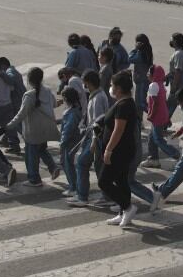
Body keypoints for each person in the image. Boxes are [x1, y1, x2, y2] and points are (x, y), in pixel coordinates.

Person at [6, 67, 61, 187]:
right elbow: (54, 104)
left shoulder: (29, 95)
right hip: (45, 129)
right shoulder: (47, 90)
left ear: (29, 80)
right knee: (42, 149)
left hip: (33, 131)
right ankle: (53, 167)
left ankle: (34, 179)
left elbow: (21, 114)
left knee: (31, 155)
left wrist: (9, 125)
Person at [100, 71, 140, 228]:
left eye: (112, 85)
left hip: (119, 150)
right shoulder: (124, 102)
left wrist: (109, 150)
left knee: (104, 181)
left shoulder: (124, 105)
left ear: (119, 88)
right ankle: (124, 212)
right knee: (121, 180)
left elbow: (118, 130)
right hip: (123, 149)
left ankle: (128, 207)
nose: (110, 88)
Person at [68, 70, 110, 207]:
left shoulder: (98, 99)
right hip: (94, 136)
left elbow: (98, 123)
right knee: (98, 167)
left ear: (89, 83)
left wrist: (93, 141)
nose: (83, 86)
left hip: (97, 138)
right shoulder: (96, 95)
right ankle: (105, 195)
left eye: (84, 83)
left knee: (82, 163)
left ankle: (83, 196)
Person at [143, 63, 179, 167]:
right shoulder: (160, 84)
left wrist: (151, 115)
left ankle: (175, 153)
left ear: (154, 75)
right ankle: (153, 159)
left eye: (149, 73)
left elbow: (155, 103)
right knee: (151, 137)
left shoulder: (153, 85)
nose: (147, 74)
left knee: (158, 139)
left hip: (157, 116)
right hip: (162, 114)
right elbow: (162, 102)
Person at [58, 88, 83, 198]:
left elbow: (67, 131)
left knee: (67, 164)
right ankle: (74, 186)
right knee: (67, 163)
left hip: (69, 143)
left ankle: (74, 187)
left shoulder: (71, 113)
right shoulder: (75, 109)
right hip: (73, 141)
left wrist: (62, 144)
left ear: (66, 98)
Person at [129, 33, 154, 113]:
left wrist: (136, 49)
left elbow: (130, 58)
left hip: (142, 81)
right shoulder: (147, 50)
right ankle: (139, 122)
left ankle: (155, 114)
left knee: (140, 103)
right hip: (143, 80)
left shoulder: (140, 54)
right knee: (139, 103)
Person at [166, 32, 183, 98]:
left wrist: (174, 86)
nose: (170, 41)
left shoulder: (178, 54)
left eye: (171, 39)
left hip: (180, 84)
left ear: (175, 41)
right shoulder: (178, 53)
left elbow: (178, 71)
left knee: (170, 106)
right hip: (178, 83)